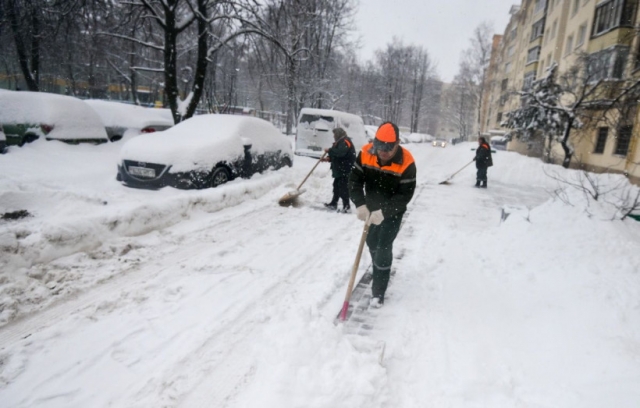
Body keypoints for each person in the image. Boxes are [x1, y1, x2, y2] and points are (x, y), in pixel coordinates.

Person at [349, 122, 417, 308]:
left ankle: (378, 291)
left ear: (397, 144)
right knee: (371, 242)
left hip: (392, 213)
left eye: (388, 148)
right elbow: (354, 181)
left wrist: (385, 212)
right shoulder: (365, 153)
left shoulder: (407, 162)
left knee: (383, 247)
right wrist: (360, 204)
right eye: (380, 147)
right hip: (371, 208)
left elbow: (405, 195)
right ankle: (378, 267)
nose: (383, 152)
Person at [323, 127, 356, 212]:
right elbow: (337, 154)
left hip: (345, 169)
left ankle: (347, 206)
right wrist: (329, 158)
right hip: (341, 169)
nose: (333, 136)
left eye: (334, 134)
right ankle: (334, 203)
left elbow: (341, 153)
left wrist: (329, 150)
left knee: (343, 188)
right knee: (336, 186)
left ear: (338, 134)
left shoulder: (345, 141)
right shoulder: (341, 141)